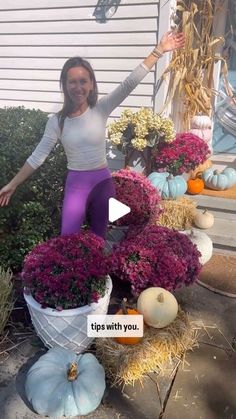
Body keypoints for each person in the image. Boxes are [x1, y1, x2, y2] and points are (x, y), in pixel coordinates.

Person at [0, 31, 185, 239]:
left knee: (99, 239)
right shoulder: (57, 122)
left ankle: (98, 272)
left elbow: (129, 84)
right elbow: (37, 158)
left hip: (102, 183)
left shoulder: (101, 109)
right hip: (76, 184)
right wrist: (12, 184)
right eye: (72, 82)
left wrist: (158, 51)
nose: (78, 87)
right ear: (64, 85)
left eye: (83, 81)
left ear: (91, 84)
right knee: (68, 239)